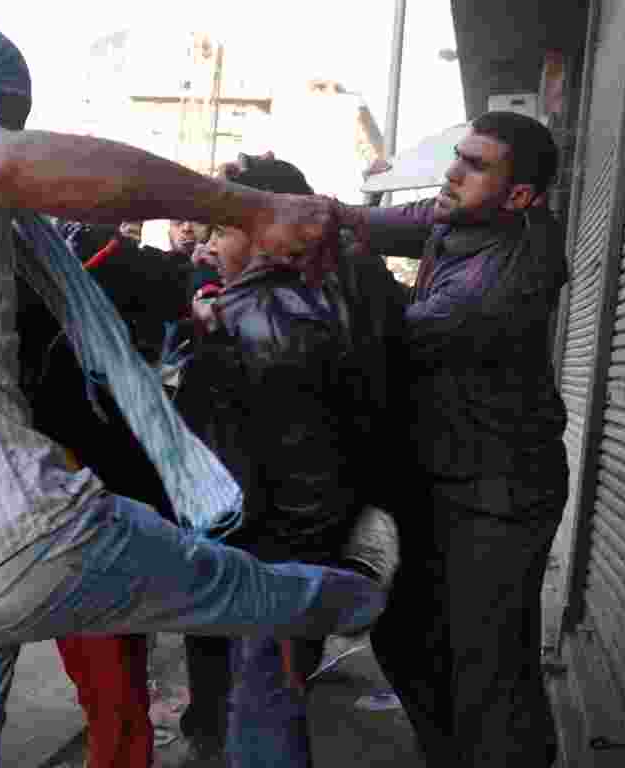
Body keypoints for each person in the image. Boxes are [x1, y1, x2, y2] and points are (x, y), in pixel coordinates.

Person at [0, 18, 384, 768]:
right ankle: (377, 598)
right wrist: (249, 207)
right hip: (23, 542)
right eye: (1, 118)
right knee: (266, 593)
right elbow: (3, 164)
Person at [341, 111, 568, 768]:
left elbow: (392, 333)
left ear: (519, 196)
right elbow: (383, 221)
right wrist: (306, 212)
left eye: (475, 166)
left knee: (487, 669)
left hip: (500, 493)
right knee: (405, 638)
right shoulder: (463, 213)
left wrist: (343, 269)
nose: (453, 173)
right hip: (439, 471)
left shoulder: (501, 284)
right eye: (457, 156)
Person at [176, 155, 403, 768]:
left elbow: (305, 468)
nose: (204, 248)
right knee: (263, 701)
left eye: (221, 232)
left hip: (271, 555)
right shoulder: (288, 304)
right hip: (275, 548)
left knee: (265, 710)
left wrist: (267, 571)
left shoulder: (273, 321)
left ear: (272, 230)